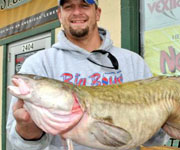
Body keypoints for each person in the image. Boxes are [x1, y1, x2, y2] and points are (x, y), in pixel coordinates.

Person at [6, 0, 169, 150]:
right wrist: (27, 132)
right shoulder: (38, 64)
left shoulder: (133, 63)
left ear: (97, 13)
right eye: (68, 6)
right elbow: (18, 144)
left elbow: (153, 140)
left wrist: (167, 120)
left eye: (84, 5)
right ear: (59, 15)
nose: (77, 12)